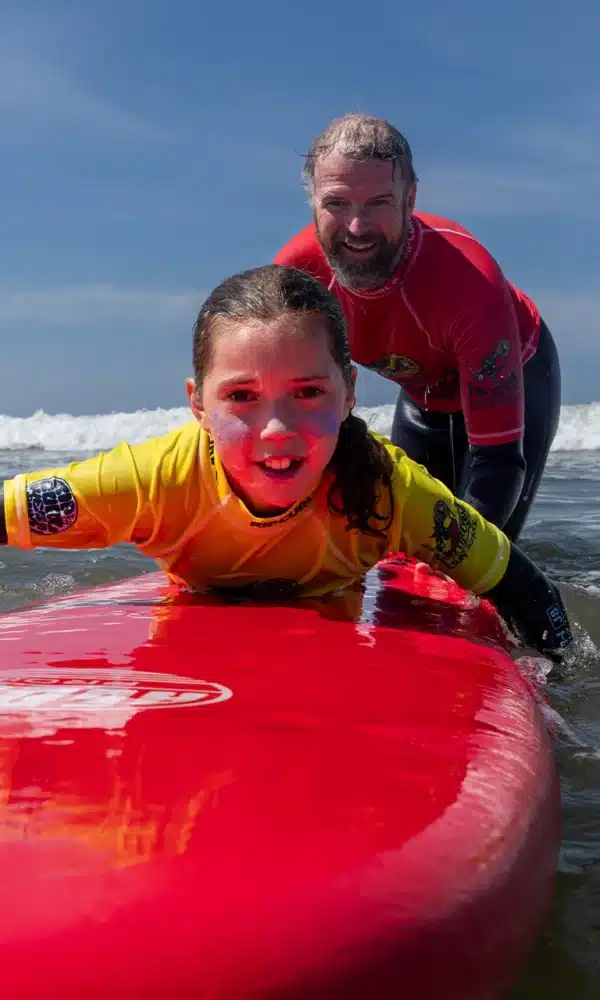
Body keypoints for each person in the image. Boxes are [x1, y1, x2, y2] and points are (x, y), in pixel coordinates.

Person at [0, 264, 572, 658]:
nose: (277, 430)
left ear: (350, 391)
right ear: (197, 403)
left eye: (307, 393)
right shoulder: (155, 480)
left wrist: (564, 706)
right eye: (242, 397)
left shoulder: (387, 490)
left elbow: (521, 586)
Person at [273, 113, 562, 541]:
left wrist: (465, 563)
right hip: (421, 396)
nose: (357, 228)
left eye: (379, 203)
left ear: (410, 200)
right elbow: (281, 417)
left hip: (517, 377)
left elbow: (498, 462)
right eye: (336, 203)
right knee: (399, 545)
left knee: (482, 557)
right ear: (313, 201)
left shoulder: (469, 282)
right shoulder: (295, 280)